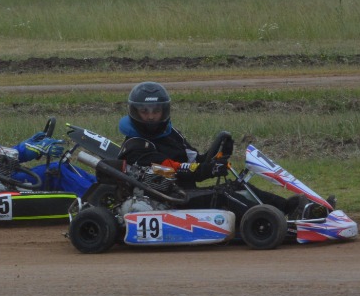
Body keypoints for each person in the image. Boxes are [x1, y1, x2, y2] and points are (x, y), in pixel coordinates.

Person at [118, 81, 310, 215]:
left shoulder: (170, 134)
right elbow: (172, 170)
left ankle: (290, 209)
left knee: (238, 186)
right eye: (145, 112)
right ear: (135, 112)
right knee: (225, 195)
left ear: (164, 111)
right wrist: (208, 170)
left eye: (156, 111)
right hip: (165, 200)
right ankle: (268, 222)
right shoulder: (135, 146)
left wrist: (217, 158)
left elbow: (194, 162)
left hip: (183, 192)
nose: (151, 117)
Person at [0, 77, 93, 195]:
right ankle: (96, 198)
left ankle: (101, 188)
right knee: (58, 171)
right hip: (4, 182)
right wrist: (28, 149)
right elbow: (0, 158)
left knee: (64, 167)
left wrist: (28, 144)